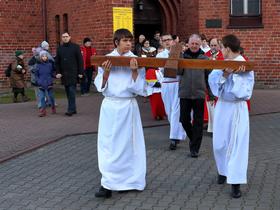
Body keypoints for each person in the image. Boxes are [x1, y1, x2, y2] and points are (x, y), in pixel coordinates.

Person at [94, 28, 147, 198]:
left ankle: (129, 181)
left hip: (127, 107)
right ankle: (107, 183)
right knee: (108, 145)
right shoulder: (107, 59)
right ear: (116, 42)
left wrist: (133, 71)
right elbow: (99, 86)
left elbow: (140, 88)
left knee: (128, 146)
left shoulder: (136, 60)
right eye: (125, 41)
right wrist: (106, 72)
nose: (129, 44)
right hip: (110, 106)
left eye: (130, 41)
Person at [208, 34, 254, 198]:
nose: (221, 50)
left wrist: (234, 76)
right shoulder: (222, 63)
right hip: (222, 107)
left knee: (237, 145)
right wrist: (224, 75)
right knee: (219, 142)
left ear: (227, 48)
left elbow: (245, 92)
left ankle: (236, 182)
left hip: (237, 108)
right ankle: (223, 170)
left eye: (222, 47)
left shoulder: (245, 65)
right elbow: (213, 83)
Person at [178, 34, 214, 158]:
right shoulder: (182, 57)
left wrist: (211, 94)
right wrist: (176, 59)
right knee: (183, 119)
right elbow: (177, 72)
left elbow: (210, 78)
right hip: (185, 93)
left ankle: (195, 149)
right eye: (192, 43)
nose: (194, 46)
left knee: (198, 122)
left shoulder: (205, 59)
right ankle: (194, 138)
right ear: (188, 44)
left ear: (200, 44)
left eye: (196, 44)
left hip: (199, 93)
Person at [156, 33, 186, 150]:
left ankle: (174, 138)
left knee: (176, 112)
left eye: (169, 40)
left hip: (178, 84)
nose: (167, 42)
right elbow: (163, 70)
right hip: (166, 85)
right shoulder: (160, 55)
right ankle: (177, 133)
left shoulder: (180, 53)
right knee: (169, 111)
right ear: (161, 43)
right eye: (164, 40)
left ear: (173, 41)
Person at [55, 31, 83, 116]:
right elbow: (57, 62)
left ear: (70, 37)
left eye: (66, 36)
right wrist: (58, 72)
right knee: (67, 91)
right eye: (63, 37)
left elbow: (80, 60)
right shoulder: (60, 48)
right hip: (64, 73)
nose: (65, 38)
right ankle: (73, 109)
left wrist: (81, 72)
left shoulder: (75, 47)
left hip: (73, 73)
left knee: (71, 91)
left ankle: (70, 109)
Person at [35, 51, 56, 117]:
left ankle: (53, 107)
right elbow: (36, 75)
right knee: (42, 98)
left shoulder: (50, 64)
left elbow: (52, 73)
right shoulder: (38, 65)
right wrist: (38, 81)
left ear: (47, 57)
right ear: (40, 57)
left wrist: (54, 77)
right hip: (41, 84)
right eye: (43, 56)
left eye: (45, 56)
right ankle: (43, 111)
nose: (44, 57)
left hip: (49, 83)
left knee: (51, 97)